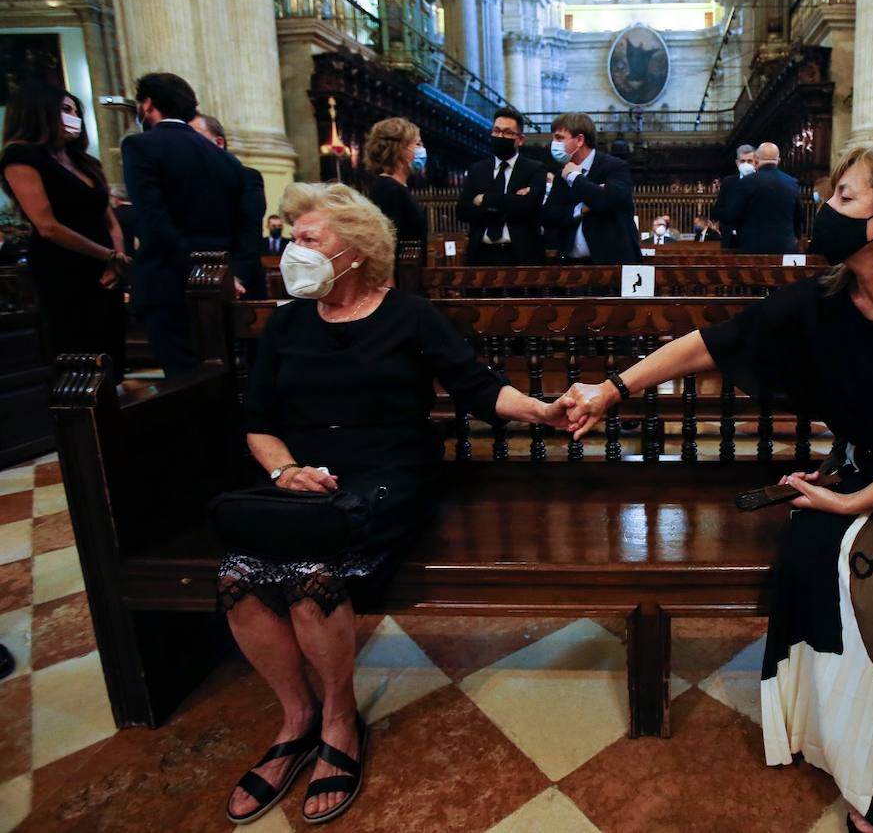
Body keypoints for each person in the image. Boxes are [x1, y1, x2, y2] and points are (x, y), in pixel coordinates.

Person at [560, 145, 873, 833]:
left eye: (845, 198)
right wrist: (613, 389)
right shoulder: (825, 301)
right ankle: (841, 744)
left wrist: (851, 500)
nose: (825, 209)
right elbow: (714, 343)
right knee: (811, 549)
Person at [221, 182, 572, 825]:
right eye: (293, 239)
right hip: (302, 484)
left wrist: (543, 411)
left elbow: (477, 387)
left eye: (309, 239)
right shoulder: (289, 322)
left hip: (390, 475)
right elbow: (258, 421)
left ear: (354, 251)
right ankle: (295, 721)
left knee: (309, 575)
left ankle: (338, 721)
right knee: (238, 578)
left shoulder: (409, 315)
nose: (294, 251)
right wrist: (287, 470)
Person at [121, 72, 254, 376]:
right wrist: (232, 274)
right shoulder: (227, 160)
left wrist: (192, 268)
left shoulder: (141, 146)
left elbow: (154, 220)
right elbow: (243, 226)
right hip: (220, 280)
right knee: (220, 370)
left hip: (169, 279)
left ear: (147, 104)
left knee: (182, 375)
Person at [0, 82, 128, 379]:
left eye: (75, 111)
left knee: (110, 343)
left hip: (105, 266)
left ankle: (115, 395)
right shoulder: (21, 157)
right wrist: (108, 255)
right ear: (41, 112)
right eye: (65, 110)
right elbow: (47, 226)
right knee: (78, 347)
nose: (74, 117)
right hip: (63, 265)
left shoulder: (85, 161)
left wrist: (117, 259)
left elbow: (110, 219)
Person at [540, 112, 641, 263]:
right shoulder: (562, 175)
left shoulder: (615, 167)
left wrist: (575, 177)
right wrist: (581, 209)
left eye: (559, 138)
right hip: (571, 264)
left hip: (610, 264)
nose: (553, 144)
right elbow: (549, 216)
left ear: (579, 140)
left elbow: (605, 201)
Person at [457, 108, 547, 265]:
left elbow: (528, 206)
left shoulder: (535, 169)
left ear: (520, 139)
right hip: (481, 254)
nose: (500, 136)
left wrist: (485, 200)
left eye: (507, 133)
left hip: (521, 255)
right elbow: (463, 210)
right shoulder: (477, 169)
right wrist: (510, 202)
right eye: (496, 131)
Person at [192, 112, 267, 299]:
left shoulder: (247, 177)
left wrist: (237, 277)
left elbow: (250, 233)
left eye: (195, 137)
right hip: (195, 280)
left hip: (239, 282)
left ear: (218, 142)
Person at [362, 117, 429, 266]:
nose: (422, 149)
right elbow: (387, 244)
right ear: (400, 150)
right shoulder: (389, 190)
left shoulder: (398, 187)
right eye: (417, 144)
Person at [717, 141, 801, 254]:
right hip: (785, 247)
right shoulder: (792, 182)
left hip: (753, 248)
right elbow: (798, 216)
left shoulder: (747, 182)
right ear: (778, 160)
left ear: (756, 160)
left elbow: (732, 215)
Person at [713, 144, 755, 248]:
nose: (746, 164)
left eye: (749, 161)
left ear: (755, 162)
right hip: (731, 239)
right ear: (737, 162)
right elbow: (717, 210)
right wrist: (730, 213)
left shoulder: (761, 181)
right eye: (743, 161)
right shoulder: (728, 182)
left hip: (754, 237)